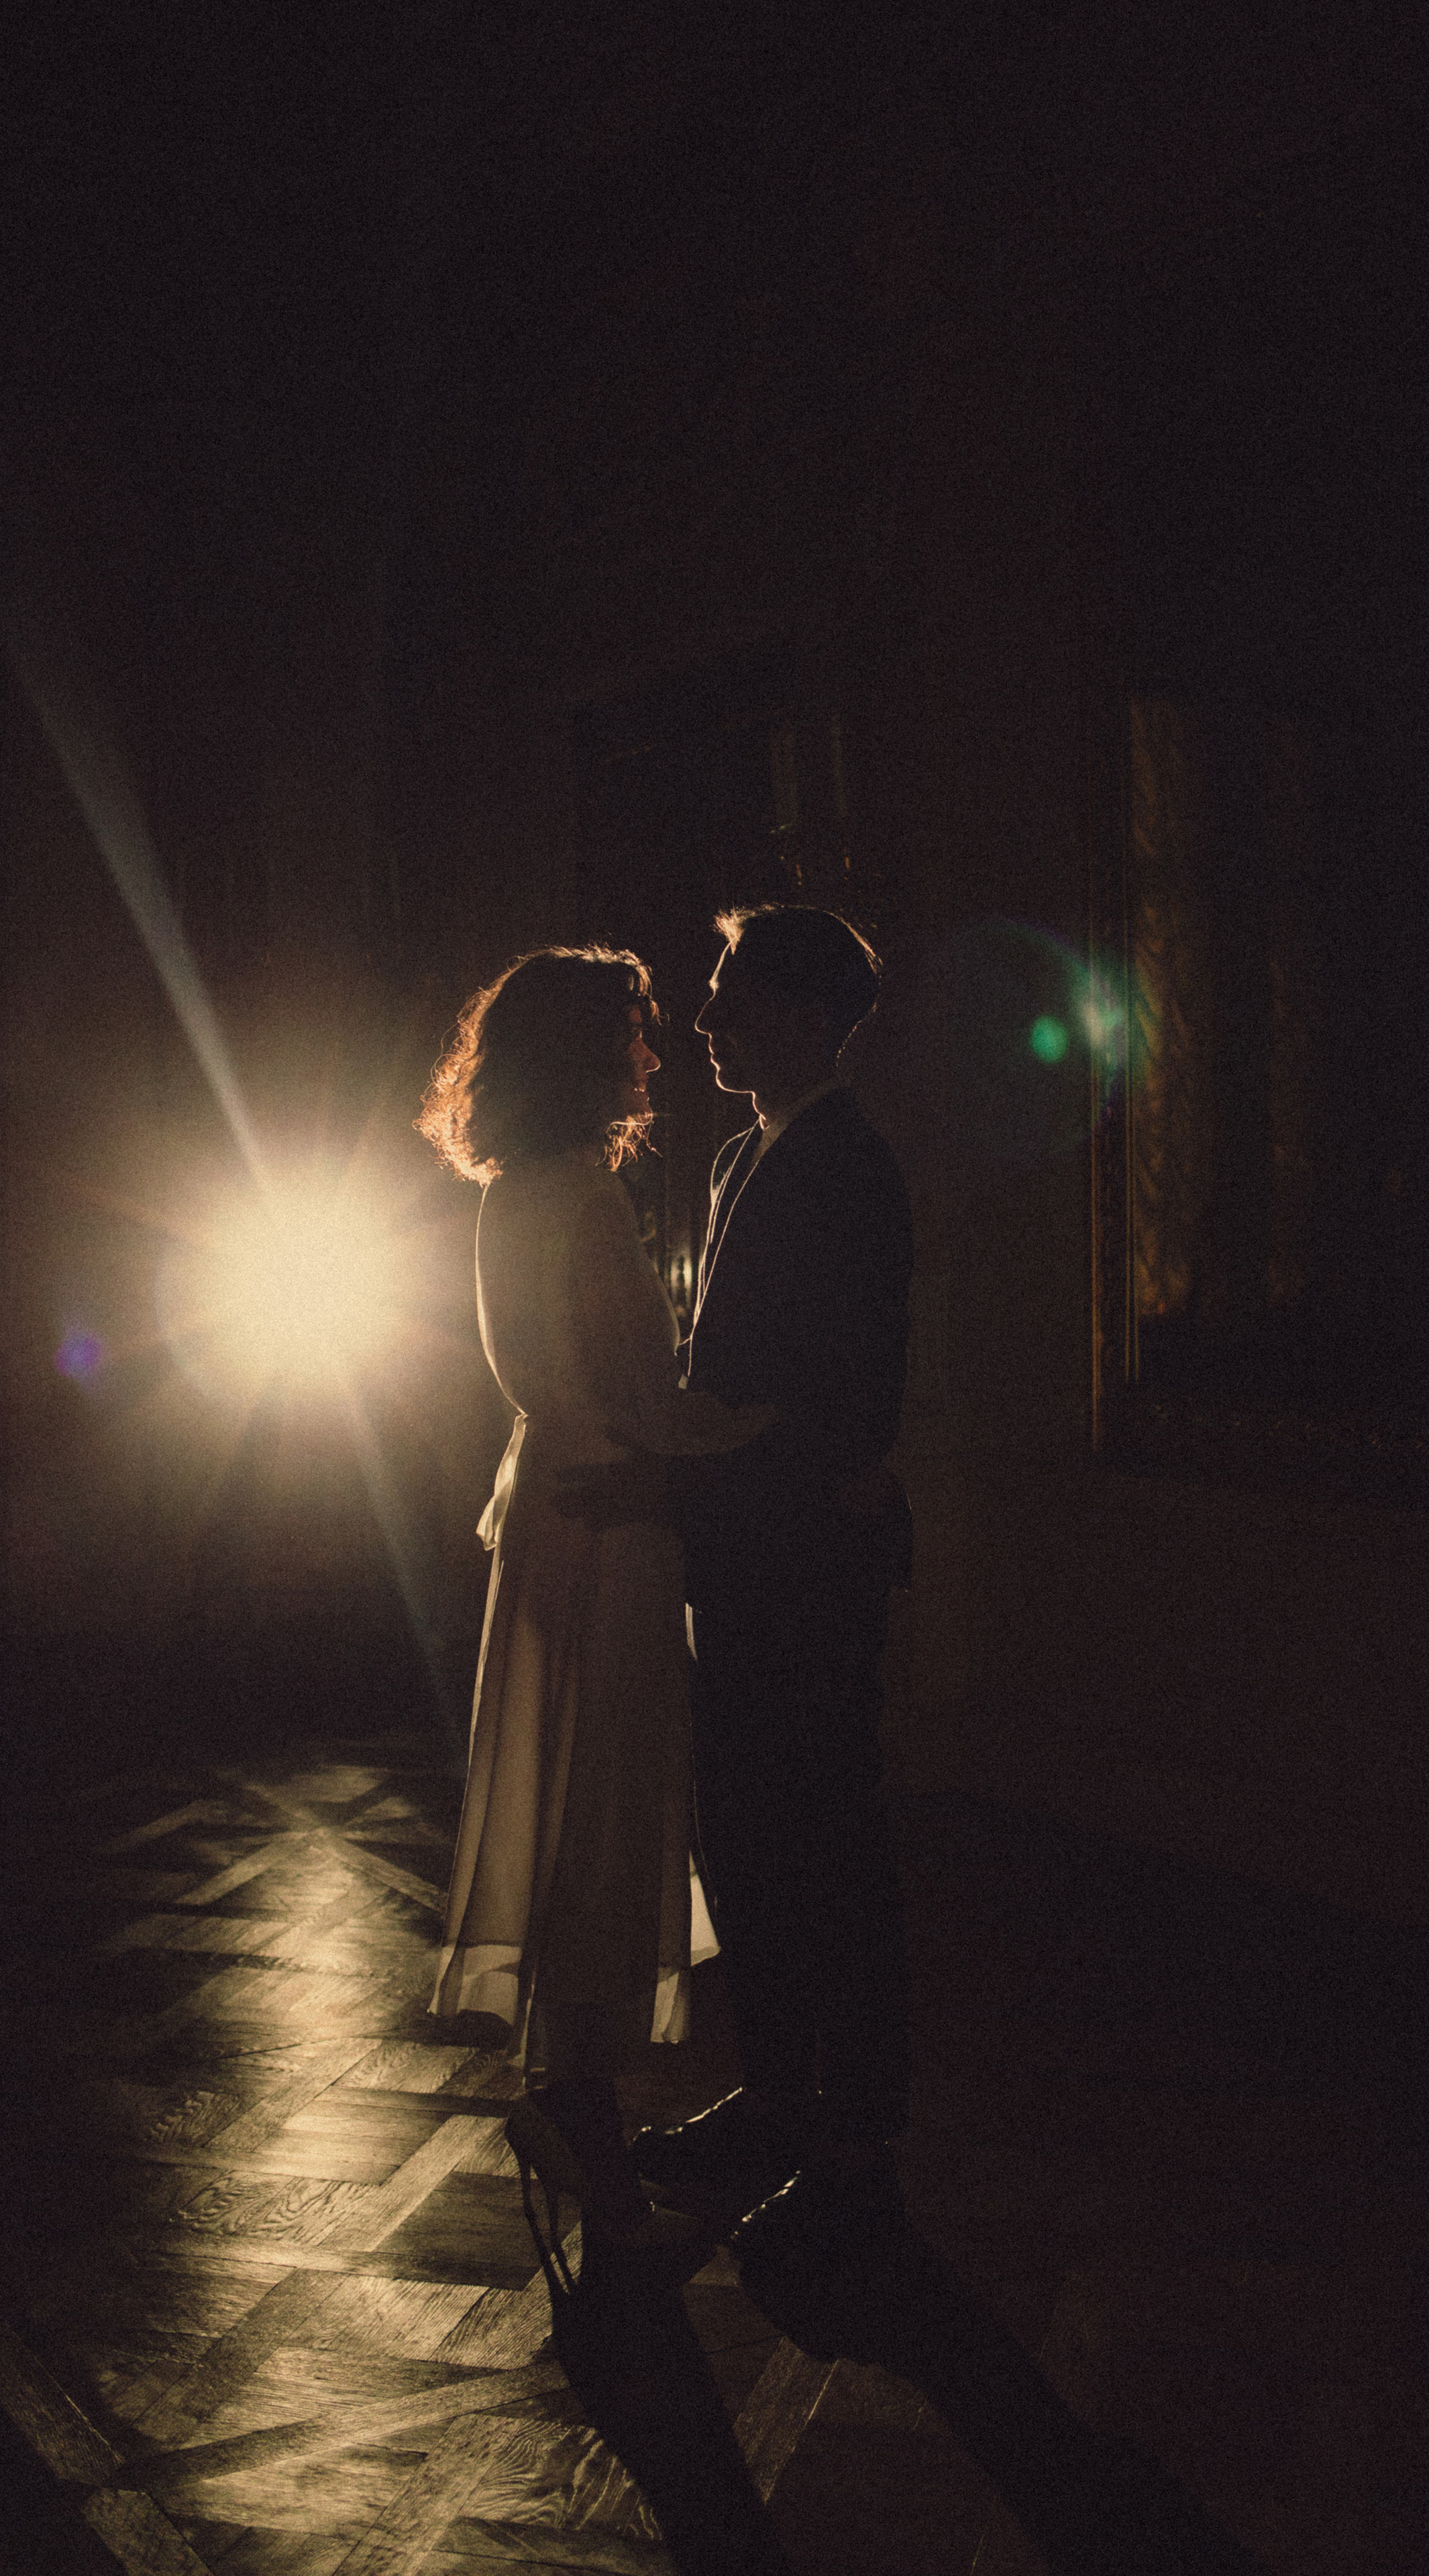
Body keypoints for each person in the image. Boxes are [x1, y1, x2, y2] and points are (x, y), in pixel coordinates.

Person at [415, 946, 770, 2273]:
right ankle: (578, 2101)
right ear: (580, 1049)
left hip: (555, 1506)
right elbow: (640, 1392)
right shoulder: (580, 1194)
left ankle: (574, 2094)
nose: (648, 1050)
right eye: (629, 1027)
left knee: (571, 1792)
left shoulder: (514, 1187)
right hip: (608, 1515)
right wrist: (762, 1433)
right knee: (607, 1795)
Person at [617, 904, 914, 2271]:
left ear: (799, 1015)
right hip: (743, 1559)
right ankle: (778, 2098)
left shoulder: (850, 1170)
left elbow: (843, 1408)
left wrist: (681, 1464)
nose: (703, 1019)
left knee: (821, 1847)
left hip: (803, 1566)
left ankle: (849, 2140)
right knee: (746, 1836)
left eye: (727, 993)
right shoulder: (744, 1153)